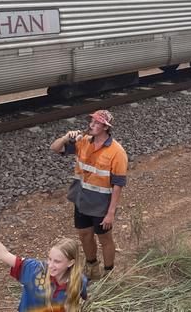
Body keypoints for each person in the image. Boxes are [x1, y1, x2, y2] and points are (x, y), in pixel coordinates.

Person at [50, 110, 128, 280]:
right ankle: (92, 267)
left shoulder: (117, 152)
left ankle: (109, 274)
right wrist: (65, 137)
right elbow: (54, 148)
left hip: (101, 205)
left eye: (96, 123)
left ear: (106, 128)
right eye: (91, 122)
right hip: (81, 201)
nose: (91, 125)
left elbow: (118, 185)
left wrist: (111, 212)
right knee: (85, 236)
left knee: (105, 239)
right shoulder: (83, 141)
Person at [0, 212, 88, 311]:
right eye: (49, 259)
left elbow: (82, 301)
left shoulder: (79, 281)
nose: (50, 265)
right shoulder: (34, 269)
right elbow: (3, 255)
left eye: (57, 261)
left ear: (71, 263)